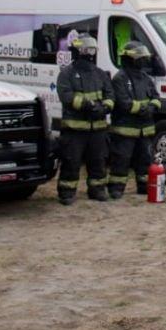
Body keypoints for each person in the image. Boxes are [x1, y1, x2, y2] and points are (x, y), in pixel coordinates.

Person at [55, 33, 115, 204]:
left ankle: (97, 190)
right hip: (74, 130)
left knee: (98, 161)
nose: (89, 54)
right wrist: (86, 105)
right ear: (77, 51)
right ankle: (67, 192)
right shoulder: (67, 74)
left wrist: (105, 107)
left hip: (98, 129)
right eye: (86, 50)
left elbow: (110, 94)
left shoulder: (100, 74)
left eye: (91, 50)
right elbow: (66, 95)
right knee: (71, 161)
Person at [108, 41, 161, 198]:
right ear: (130, 59)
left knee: (145, 159)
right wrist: (144, 109)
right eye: (140, 58)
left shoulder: (146, 78)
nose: (143, 61)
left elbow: (156, 98)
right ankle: (116, 188)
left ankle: (144, 185)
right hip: (126, 130)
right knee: (121, 160)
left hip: (145, 130)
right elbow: (124, 103)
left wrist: (152, 107)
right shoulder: (120, 79)